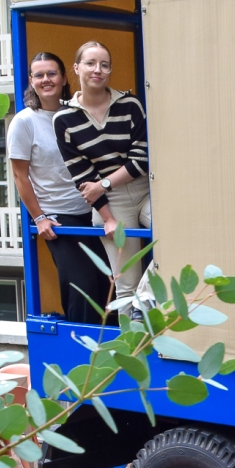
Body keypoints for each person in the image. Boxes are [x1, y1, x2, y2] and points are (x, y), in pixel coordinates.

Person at [8, 52, 112, 323]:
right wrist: (39, 217)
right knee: (82, 287)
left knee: (108, 286)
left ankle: (111, 356)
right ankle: (80, 355)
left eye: (52, 73)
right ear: (31, 80)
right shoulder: (24, 121)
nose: (46, 80)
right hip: (59, 218)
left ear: (65, 77)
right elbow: (20, 176)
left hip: (95, 212)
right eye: (39, 75)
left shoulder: (77, 113)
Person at [53, 41, 151, 305]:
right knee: (125, 286)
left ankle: (149, 297)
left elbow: (142, 159)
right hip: (110, 204)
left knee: (180, 237)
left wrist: (104, 183)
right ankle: (132, 345)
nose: (98, 70)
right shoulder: (64, 119)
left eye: (104, 65)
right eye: (91, 63)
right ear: (76, 68)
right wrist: (107, 218)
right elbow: (82, 177)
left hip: (145, 191)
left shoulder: (130, 105)